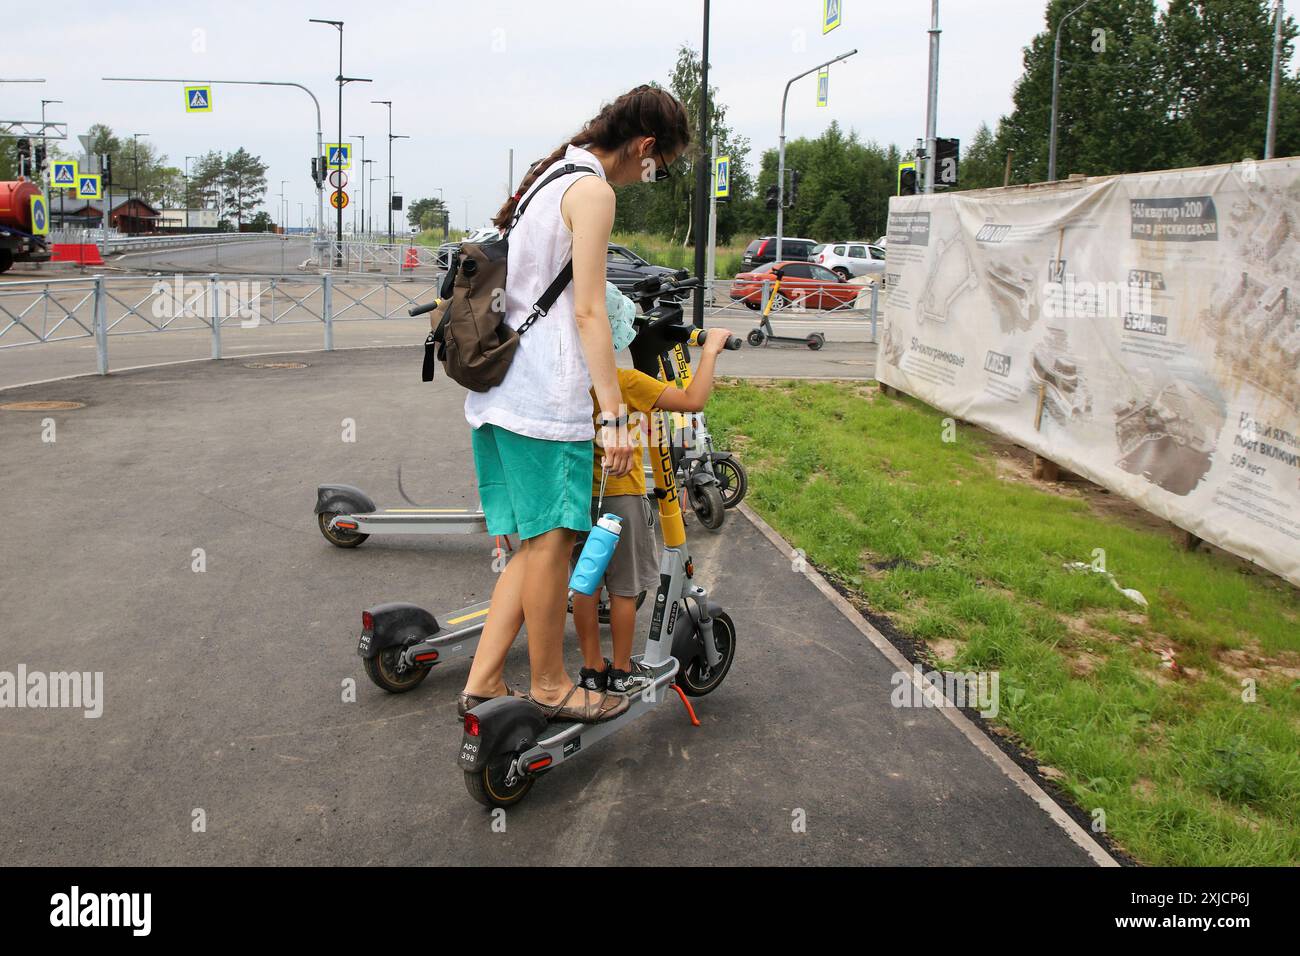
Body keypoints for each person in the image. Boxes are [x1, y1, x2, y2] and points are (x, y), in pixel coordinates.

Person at [456, 85, 692, 723]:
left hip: (499, 392)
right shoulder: (593, 191)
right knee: (554, 543)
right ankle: (552, 685)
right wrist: (614, 414)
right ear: (645, 147)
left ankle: (482, 682)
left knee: (533, 546)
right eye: (660, 167)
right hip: (544, 399)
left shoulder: (549, 176)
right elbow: (589, 310)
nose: (654, 178)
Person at [573, 296, 733, 695]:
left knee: (585, 585)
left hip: (577, 497)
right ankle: (623, 669)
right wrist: (710, 350)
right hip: (622, 500)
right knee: (625, 588)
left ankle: (592, 668)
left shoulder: (572, 383)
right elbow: (692, 401)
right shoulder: (626, 382)